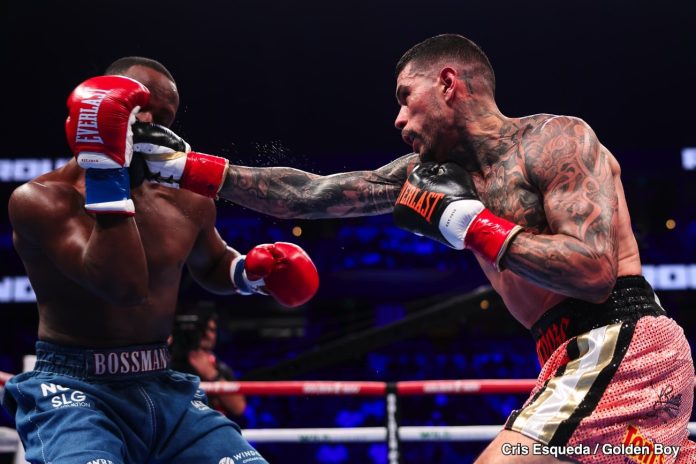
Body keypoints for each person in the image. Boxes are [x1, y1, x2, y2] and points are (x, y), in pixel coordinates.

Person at [132, 34, 695, 463]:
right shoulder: (426, 174)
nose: (398, 119)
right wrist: (184, 168)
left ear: (448, 83)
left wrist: (468, 225)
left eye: (406, 97)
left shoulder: (556, 140)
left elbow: (594, 271)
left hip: (618, 341)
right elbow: (311, 193)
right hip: (564, 355)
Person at [3, 56, 320, 464]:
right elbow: (123, 287)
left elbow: (211, 262)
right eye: (141, 106)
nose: (152, 121)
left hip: (163, 382)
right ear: (99, 109)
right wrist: (107, 172)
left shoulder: (186, 197)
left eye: (165, 117)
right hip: (73, 387)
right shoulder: (43, 200)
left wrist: (250, 272)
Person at [170, 310, 246, 417]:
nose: (207, 335)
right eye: (202, 329)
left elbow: (239, 407)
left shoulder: (219, 367)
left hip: (210, 423)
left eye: (212, 330)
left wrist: (212, 375)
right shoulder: (167, 362)